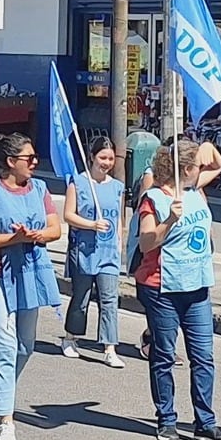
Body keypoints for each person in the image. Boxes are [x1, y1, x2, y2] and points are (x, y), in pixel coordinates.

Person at [0, 133, 63, 440]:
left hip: (29, 274)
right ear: (10, 162)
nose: (35, 163)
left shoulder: (40, 189)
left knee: (25, 346)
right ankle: (6, 421)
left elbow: (55, 229)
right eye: (29, 158)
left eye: (35, 158)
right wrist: (12, 239)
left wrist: (38, 235)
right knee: (5, 345)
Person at [134, 140, 221, 440]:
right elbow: (147, 243)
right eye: (195, 166)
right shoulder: (154, 199)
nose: (201, 170)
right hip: (163, 287)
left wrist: (203, 142)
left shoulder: (193, 189)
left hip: (198, 285)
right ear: (185, 169)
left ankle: (205, 422)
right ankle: (167, 419)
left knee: (204, 357)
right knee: (164, 356)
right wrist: (170, 221)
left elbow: (217, 163)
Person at [57, 137, 128, 367]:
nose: (106, 163)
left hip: (108, 253)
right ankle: (70, 337)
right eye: (102, 158)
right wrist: (91, 225)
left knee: (109, 299)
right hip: (85, 250)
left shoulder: (117, 187)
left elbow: (119, 219)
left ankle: (109, 347)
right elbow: (68, 215)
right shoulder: (77, 183)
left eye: (110, 158)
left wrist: (119, 243)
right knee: (82, 298)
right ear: (92, 157)